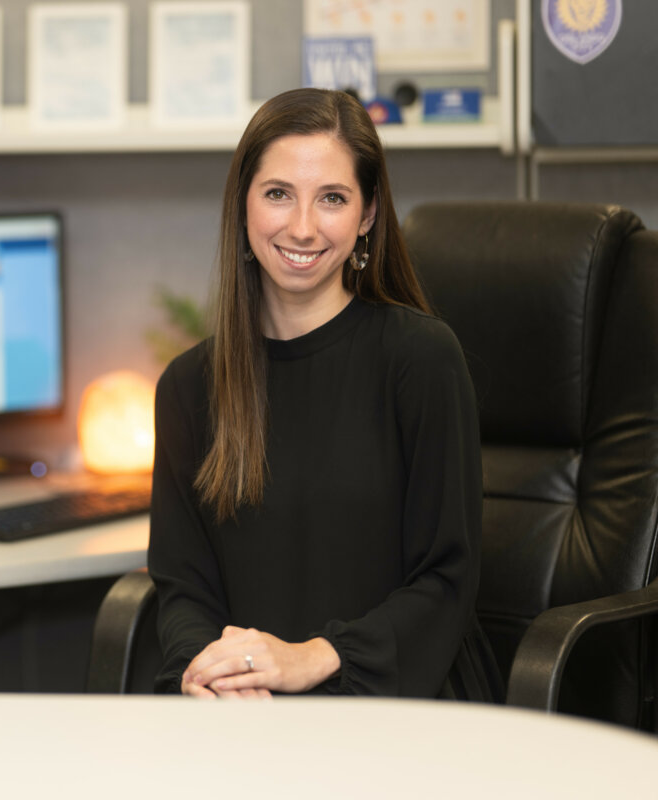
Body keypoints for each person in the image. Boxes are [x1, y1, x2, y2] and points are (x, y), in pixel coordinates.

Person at [148, 88, 502, 701]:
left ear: (366, 216)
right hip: (245, 711)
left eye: (332, 198)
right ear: (243, 205)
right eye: (279, 193)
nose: (303, 227)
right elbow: (183, 589)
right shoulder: (188, 387)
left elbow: (448, 578)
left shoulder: (420, 359)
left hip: (396, 704)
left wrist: (314, 658)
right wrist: (209, 674)